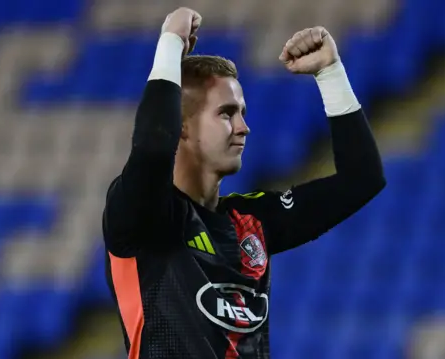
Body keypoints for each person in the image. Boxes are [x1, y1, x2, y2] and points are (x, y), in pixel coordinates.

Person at [102, 7, 386, 359]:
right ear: (181, 126)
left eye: (242, 113)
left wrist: (330, 73)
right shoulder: (144, 217)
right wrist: (171, 42)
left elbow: (362, 180)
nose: (243, 127)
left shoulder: (250, 222)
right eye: (226, 113)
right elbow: (153, 145)